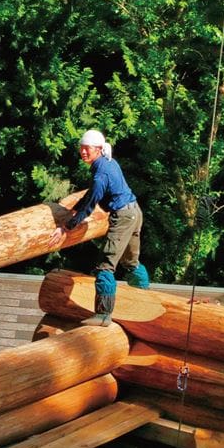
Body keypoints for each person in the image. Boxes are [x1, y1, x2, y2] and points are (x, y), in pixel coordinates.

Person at [49, 129, 149, 325]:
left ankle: (103, 315)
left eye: (87, 149)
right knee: (131, 262)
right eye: (82, 148)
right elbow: (90, 197)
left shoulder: (100, 174)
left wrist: (66, 227)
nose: (83, 152)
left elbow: (90, 204)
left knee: (105, 267)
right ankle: (145, 300)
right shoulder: (108, 162)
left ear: (98, 149)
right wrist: (74, 209)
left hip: (123, 217)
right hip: (135, 212)